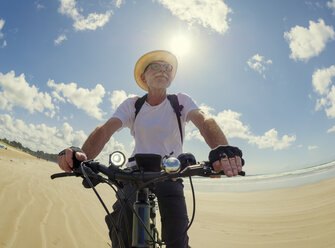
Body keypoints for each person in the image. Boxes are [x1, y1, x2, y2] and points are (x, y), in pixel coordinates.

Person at [57, 50, 244, 248]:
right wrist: (82, 157)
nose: (163, 70)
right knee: (120, 233)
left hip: (170, 173)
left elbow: (204, 121)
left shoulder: (179, 101)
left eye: (167, 67)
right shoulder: (133, 105)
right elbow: (105, 130)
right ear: (143, 76)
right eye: (156, 66)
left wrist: (223, 150)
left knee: (177, 241)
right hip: (133, 173)